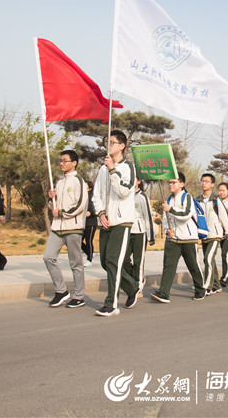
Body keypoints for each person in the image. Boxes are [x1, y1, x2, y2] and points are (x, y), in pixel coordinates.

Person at [91, 130, 139, 317]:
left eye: (112, 143)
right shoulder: (102, 169)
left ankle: (111, 303)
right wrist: (101, 212)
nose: (108, 146)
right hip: (106, 222)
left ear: (122, 146)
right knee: (105, 261)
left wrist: (113, 170)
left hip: (121, 222)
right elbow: (97, 195)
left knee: (113, 261)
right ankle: (132, 286)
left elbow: (123, 191)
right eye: (107, 143)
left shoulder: (128, 167)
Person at [150, 172, 206, 303]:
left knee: (193, 265)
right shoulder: (168, 200)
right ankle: (164, 293)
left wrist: (171, 209)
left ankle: (200, 289)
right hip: (173, 239)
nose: (170, 185)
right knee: (168, 266)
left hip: (188, 238)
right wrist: (167, 229)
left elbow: (186, 214)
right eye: (169, 182)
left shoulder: (187, 197)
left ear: (182, 184)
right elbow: (165, 219)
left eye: (173, 182)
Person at [43, 149, 88, 308]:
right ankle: (61, 291)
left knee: (75, 264)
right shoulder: (59, 182)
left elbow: (80, 205)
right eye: (60, 161)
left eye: (65, 160)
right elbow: (53, 207)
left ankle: (79, 296)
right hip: (57, 228)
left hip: (73, 228)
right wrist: (51, 199)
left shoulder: (79, 181)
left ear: (74, 163)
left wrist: (62, 213)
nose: (61, 163)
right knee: (48, 257)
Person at [195, 173, 228, 295]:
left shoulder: (216, 200)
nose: (204, 183)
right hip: (204, 235)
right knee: (211, 261)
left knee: (208, 258)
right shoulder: (198, 200)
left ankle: (207, 286)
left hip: (215, 235)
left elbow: (224, 217)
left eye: (207, 181)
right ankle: (216, 285)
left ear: (212, 184)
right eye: (202, 181)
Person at [124, 179, 155, 295]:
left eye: (134, 179)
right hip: (126, 231)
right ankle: (135, 279)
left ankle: (139, 285)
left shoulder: (142, 197)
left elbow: (148, 216)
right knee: (124, 259)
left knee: (138, 261)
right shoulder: (124, 195)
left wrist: (151, 235)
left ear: (138, 181)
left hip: (140, 232)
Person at [81, 181, 97, 267]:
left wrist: (91, 213)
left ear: (90, 188)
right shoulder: (83, 196)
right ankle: (89, 252)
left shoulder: (93, 196)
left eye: (85, 185)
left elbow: (96, 208)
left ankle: (89, 260)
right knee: (79, 241)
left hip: (91, 222)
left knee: (89, 241)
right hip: (84, 223)